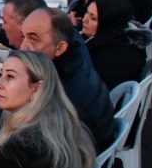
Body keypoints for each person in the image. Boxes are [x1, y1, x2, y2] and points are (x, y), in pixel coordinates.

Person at [19, 8, 117, 149]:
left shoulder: (64, 97)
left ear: (60, 48)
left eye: (33, 39)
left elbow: (44, 149)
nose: (23, 48)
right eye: (23, 37)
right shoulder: (74, 62)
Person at [82, 0, 152, 90]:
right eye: (86, 12)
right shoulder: (117, 34)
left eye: (93, 18)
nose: (84, 19)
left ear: (107, 22)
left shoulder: (108, 56)